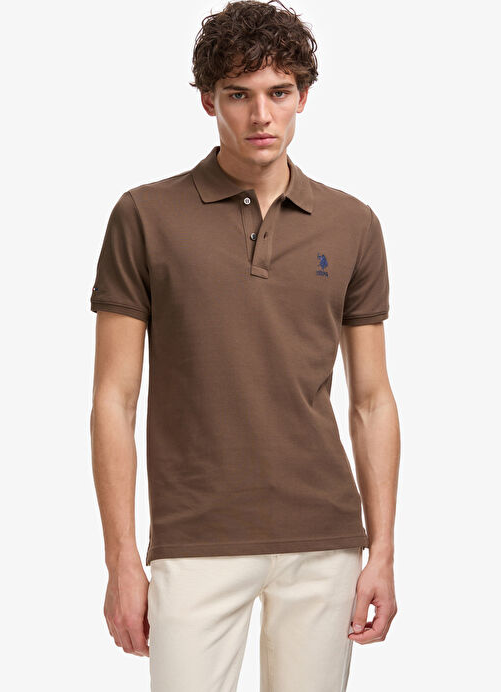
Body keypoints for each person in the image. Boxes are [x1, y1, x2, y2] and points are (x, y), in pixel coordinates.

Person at [89, 1, 400, 689]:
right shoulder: (144, 216)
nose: (261, 115)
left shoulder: (352, 224)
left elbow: (372, 400)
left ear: (302, 97)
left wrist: (381, 550)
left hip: (323, 537)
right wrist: (121, 561)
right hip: (196, 537)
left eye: (278, 92)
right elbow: (114, 398)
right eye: (239, 94)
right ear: (208, 100)